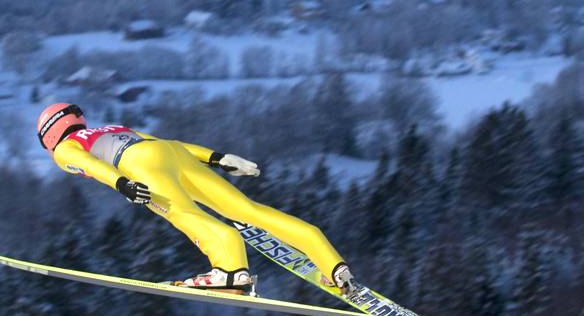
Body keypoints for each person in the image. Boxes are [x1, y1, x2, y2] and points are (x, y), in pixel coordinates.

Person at [36, 102, 356, 296]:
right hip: (170, 152)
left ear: (49, 134)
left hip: (138, 164)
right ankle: (331, 263)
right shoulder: (111, 128)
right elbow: (169, 144)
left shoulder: (63, 150)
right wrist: (218, 158)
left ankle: (230, 273)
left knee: (184, 215)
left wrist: (123, 184)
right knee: (247, 210)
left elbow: (92, 166)